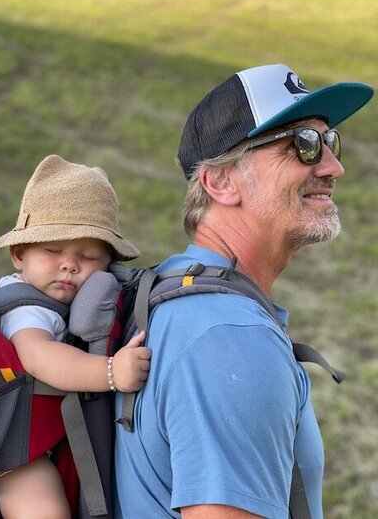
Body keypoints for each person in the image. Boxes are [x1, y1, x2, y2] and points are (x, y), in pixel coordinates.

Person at [114, 64, 374, 518]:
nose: (334, 166)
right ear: (220, 182)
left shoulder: (177, 286)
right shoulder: (228, 338)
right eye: (302, 146)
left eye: (327, 141)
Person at [0, 154, 151, 519]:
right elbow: (38, 356)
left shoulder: (51, 302)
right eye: (52, 250)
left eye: (88, 256)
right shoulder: (27, 308)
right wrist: (111, 371)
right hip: (11, 452)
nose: (69, 265)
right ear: (18, 254)